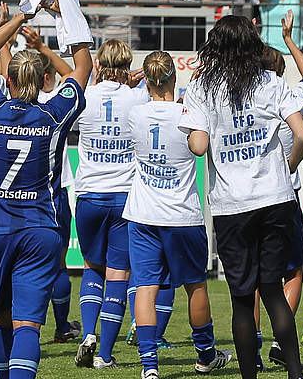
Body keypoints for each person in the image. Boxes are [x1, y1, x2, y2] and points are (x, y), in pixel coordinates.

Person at [0, 0, 94, 379]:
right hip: (40, 230)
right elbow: (84, 66)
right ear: (44, 81)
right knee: (28, 325)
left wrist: (22, 16)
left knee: (1, 320)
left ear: (7, 79)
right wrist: (65, 11)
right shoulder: (53, 114)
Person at [183, 14, 303, 379]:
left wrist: (191, 129)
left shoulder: (203, 87)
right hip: (276, 199)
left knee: (242, 298)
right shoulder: (270, 80)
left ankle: (249, 376)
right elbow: (302, 135)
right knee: (272, 290)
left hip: (232, 205)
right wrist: (285, 168)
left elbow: (198, 146)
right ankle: (296, 374)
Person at [124, 50, 232, 379]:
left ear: (145, 78)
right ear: (174, 77)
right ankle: (204, 356)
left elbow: (144, 101)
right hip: (181, 215)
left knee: (145, 288)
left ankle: (149, 366)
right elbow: (200, 144)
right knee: (195, 287)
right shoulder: (187, 112)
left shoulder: (135, 112)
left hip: (143, 213)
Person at [72, 39, 149, 368]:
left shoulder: (85, 97)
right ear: (128, 64)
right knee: (119, 274)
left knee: (91, 267)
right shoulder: (138, 96)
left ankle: (87, 333)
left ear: (100, 65)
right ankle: (104, 354)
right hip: (124, 196)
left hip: (89, 194)